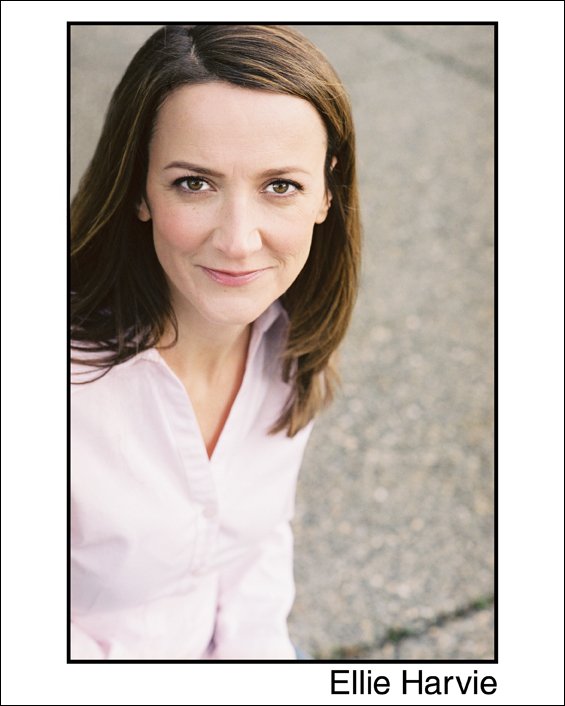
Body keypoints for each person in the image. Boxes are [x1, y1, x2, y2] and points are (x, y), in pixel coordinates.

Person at [70, 23, 361, 660]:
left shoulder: (292, 345)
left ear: (325, 193)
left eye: (280, 186)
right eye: (194, 183)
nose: (237, 240)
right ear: (139, 188)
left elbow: (256, 546)